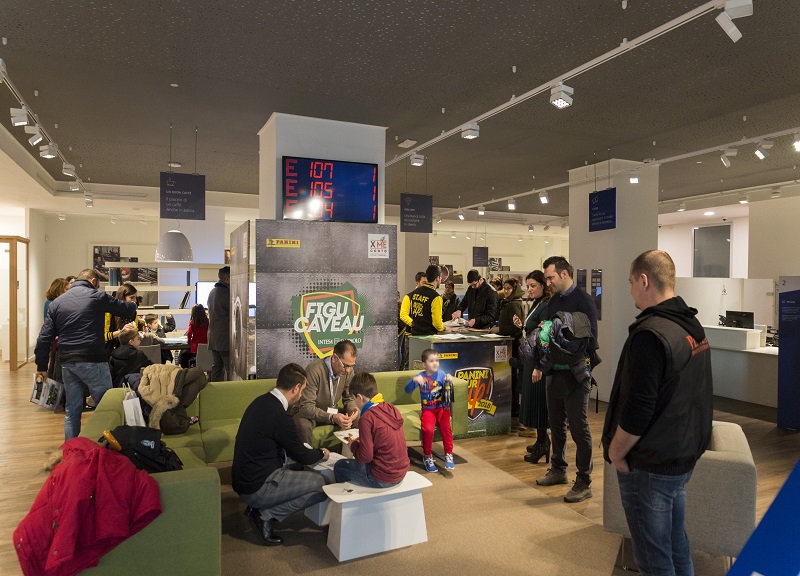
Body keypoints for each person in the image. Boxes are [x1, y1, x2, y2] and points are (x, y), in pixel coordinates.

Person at [602, 250, 713, 576]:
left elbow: (639, 408)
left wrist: (616, 452)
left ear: (644, 280)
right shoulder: (691, 326)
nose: (631, 291)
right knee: (676, 544)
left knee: (653, 558)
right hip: (679, 457)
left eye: (631, 282)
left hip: (651, 464)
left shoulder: (651, 335)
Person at [232, 363, 330, 546]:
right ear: (296, 388)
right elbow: (303, 456)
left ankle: (259, 507)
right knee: (323, 485)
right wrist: (322, 453)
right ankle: (265, 515)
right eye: (302, 390)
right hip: (256, 488)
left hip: (243, 479)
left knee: (295, 465)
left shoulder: (260, 401)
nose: (301, 395)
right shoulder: (281, 417)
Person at [34, 268, 138, 440]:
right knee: (106, 409)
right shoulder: (97, 296)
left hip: (67, 362)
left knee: (72, 411)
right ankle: (105, 449)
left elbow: (44, 339)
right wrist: (134, 303)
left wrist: (41, 367)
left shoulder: (56, 303)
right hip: (93, 359)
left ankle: (72, 449)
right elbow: (125, 309)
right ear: (93, 281)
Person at [536, 256, 598, 503]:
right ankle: (558, 469)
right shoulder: (554, 301)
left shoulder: (584, 301)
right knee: (556, 423)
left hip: (577, 373)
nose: (548, 282)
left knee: (578, 427)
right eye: (546, 278)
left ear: (564, 274)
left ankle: (584, 480)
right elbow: (549, 335)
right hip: (555, 371)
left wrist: (565, 342)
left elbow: (591, 341)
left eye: (550, 277)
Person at [333, 372, 410, 488]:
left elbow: (365, 457)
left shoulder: (367, 418)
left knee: (339, 466)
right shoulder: (391, 408)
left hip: (382, 478)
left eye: (354, 399)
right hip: (402, 472)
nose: (354, 403)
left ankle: (347, 495)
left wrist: (352, 445)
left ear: (359, 397)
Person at [513, 271, 552, 462]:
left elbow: (544, 338)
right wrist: (522, 325)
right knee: (533, 403)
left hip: (537, 361)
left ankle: (544, 443)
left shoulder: (545, 306)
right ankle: (540, 441)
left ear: (543, 286)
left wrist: (539, 365)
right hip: (531, 360)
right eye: (527, 285)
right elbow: (532, 329)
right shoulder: (537, 303)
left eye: (533, 285)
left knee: (539, 404)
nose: (529, 289)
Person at [292, 340, 359, 446]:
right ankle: (307, 456)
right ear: (334, 358)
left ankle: (352, 453)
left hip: (330, 410)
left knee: (358, 418)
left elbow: (349, 398)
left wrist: (353, 410)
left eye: (351, 366)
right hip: (308, 413)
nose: (348, 370)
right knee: (303, 426)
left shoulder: (348, 372)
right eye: (345, 365)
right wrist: (331, 417)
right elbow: (306, 406)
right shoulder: (314, 370)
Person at [404, 349, 455, 472]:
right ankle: (427, 456)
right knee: (427, 429)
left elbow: (448, 387)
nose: (435, 363)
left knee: (446, 427)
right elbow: (407, 389)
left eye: (437, 360)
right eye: (431, 361)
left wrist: (449, 379)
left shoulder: (441, 374)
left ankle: (449, 454)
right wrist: (415, 380)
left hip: (442, 407)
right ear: (424, 364)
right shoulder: (421, 376)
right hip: (428, 409)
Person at [491, 278, 525, 419]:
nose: (505, 291)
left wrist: (500, 329)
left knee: (512, 377)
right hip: (509, 342)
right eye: (504, 288)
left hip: (514, 343)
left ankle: (514, 407)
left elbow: (517, 327)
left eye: (508, 288)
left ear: (514, 289)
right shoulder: (508, 302)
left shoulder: (514, 304)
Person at [399, 265, 445, 336]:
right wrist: (443, 328)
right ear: (437, 278)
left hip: (414, 334)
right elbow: (437, 322)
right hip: (428, 335)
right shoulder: (436, 297)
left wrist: (416, 325)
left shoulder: (414, 293)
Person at [103, 282, 140, 357]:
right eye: (132, 298)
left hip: (129, 353)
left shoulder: (133, 313)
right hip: (111, 354)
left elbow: (135, 331)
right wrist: (121, 332)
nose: (135, 301)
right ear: (122, 298)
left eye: (136, 298)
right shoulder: (109, 313)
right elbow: (103, 337)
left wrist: (138, 335)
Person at [207, 266, 231, 381]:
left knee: (217, 368)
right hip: (224, 338)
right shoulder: (227, 293)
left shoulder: (212, 292)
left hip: (214, 336)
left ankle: (215, 389)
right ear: (228, 278)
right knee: (230, 368)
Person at [180, 304, 209, 368]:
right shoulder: (207, 322)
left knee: (183, 356)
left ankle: (186, 371)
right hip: (206, 348)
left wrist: (189, 341)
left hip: (195, 349)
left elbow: (189, 333)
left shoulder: (192, 322)